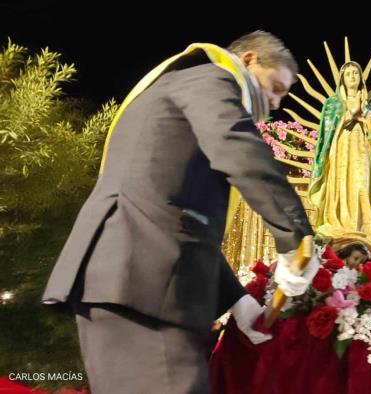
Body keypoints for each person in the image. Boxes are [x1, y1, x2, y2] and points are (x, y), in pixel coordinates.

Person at [41, 31, 319, 394]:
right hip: (141, 281)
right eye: (277, 87)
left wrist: (236, 301)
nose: (277, 102)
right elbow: (235, 144)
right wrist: (294, 237)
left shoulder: (185, 90)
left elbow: (173, 209)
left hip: (131, 279)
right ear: (249, 60)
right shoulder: (209, 78)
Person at [308, 61, 371, 258]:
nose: (352, 76)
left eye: (356, 73)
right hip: (340, 151)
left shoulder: (369, 107)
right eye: (348, 74)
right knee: (340, 187)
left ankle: (360, 228)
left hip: (362, 154)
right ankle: (340, 225)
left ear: (361, 79)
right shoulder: (333, 104)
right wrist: (349, 115)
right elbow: (325, 133)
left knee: (361, 188)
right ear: (342, 80)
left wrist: (367, 118)